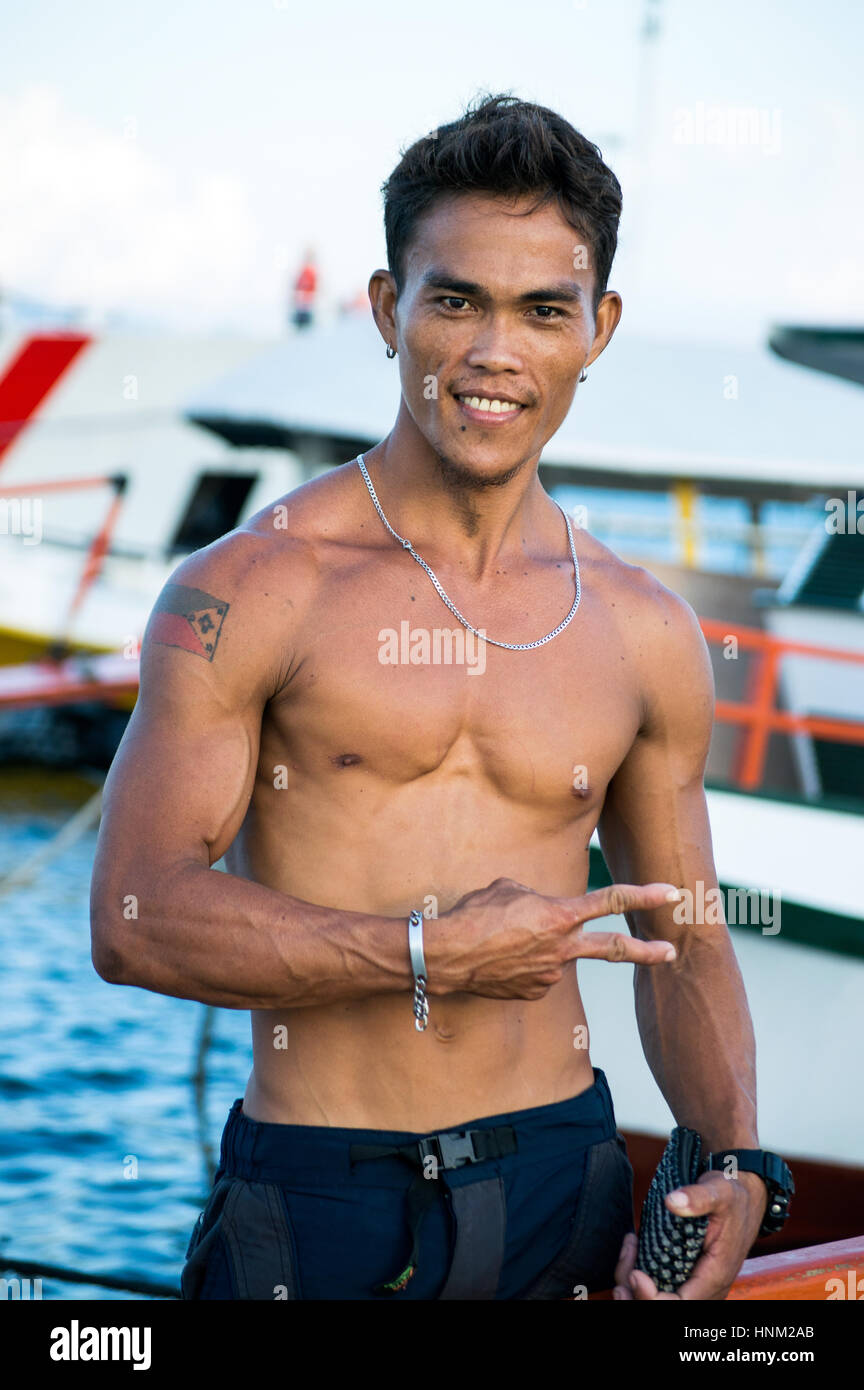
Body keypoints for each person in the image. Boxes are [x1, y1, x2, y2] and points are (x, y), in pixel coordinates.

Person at [90, 92, 771, 1301]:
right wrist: (423, 954)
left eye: (543, 310)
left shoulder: (641, 628)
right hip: (318, 1188)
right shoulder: (254, 587)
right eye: (454, 299)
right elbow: (135, 918)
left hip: (566, 1180)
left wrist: (735, 1157)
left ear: (598, 327)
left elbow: (686, 933)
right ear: (387, 308)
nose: (494, 353)